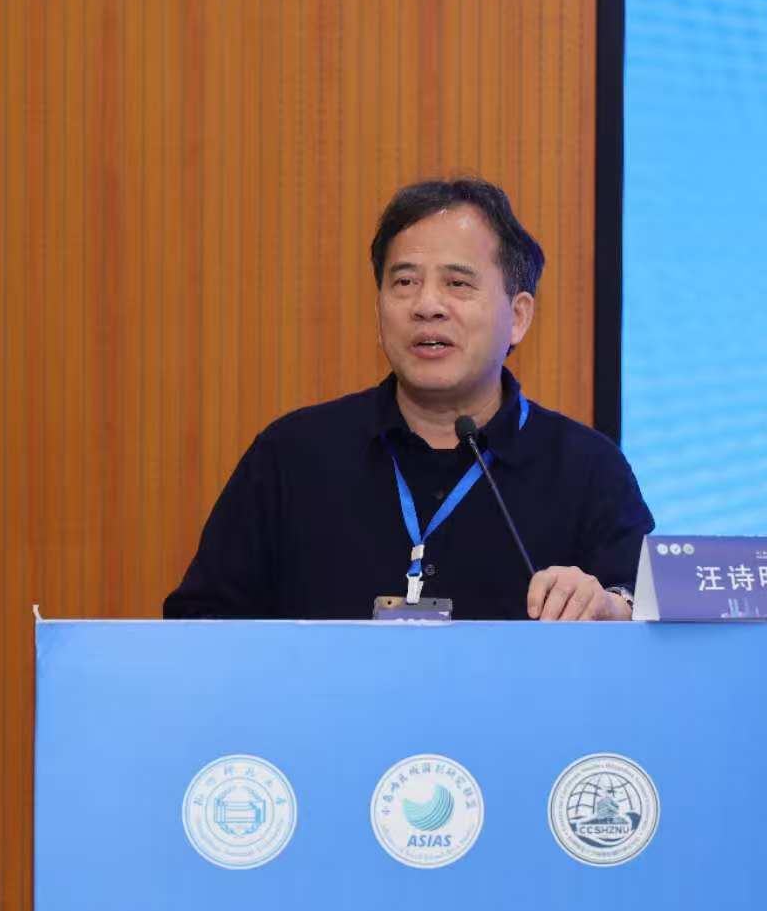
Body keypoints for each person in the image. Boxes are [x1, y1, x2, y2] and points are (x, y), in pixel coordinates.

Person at [163, 178, 653, 621]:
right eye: (405, 282)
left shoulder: (588, 468)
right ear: (379, 311)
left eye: (457, 283)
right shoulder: (293, 455)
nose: (427, 306)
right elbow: (199, 623)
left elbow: (648, 613)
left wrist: (610, 608)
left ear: (518, 317)